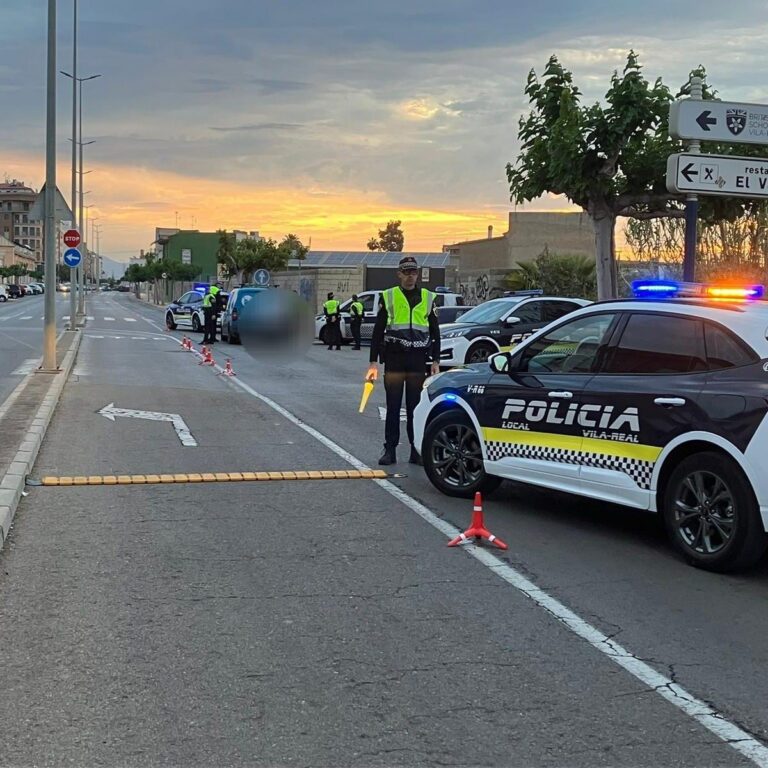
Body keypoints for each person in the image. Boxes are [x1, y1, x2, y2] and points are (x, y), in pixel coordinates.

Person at [367, 256, 440, 466]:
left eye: (413, 272)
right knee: (393, 406)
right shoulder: (388, 296)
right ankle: (390, 450)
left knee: (414, 407)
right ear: (399, 274)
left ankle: (415, 450)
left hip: (418, 360)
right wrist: (373, 361)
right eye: (406, 272)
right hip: (395, 360)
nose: (410, 276)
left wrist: (436, 359)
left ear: (417, 274)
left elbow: (435, 332)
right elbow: (378, 331)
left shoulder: (428, 297)